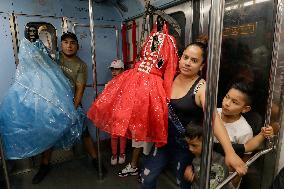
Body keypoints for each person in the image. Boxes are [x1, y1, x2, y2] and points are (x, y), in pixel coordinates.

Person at [141, 41, 247, 189]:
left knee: (182, 183)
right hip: (162, 141)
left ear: (201, 66)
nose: (187, 63)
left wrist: (229, 152)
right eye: (185, 57)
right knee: (147, 178)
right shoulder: (169, 77)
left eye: (194, 60)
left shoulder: (201, 88)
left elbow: (213, 118)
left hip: (186, 146)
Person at [87, 16, 179, 146]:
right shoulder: (151, 38)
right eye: (157, 22)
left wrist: (167, 94)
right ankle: (122, 151)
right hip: (138, 77)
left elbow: (170, 68)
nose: (158, 24)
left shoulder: (167, 40)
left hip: (147, 79)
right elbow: (167, 67)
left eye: (160, 22)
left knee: (141, 115)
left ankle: (133, 151)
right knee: (126, 110)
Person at [32, 32, 105, 184]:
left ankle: (95, 160)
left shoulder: (81, 65)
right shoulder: (54, 58)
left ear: (77, 46)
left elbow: (80, 89)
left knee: (84, 132)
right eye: (65, 42)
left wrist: (72, 109)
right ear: (61, 45)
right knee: (50, 134)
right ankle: (44, 165)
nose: (69, 46)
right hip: (53, 104)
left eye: (72, 43)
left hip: (73, 103)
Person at [184, 122, 232, 189]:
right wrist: (190, 173)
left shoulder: (223, 157)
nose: (190, 149)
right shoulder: (192, 158)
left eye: (194, 145)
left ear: (207, 143)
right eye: (188, 145)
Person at [108, 59, 127, 165]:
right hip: (113, 113)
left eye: (117, 69)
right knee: (114, 135)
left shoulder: (127, 84)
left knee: (122, 134)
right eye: (112, 69)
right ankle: (114, 154)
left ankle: (122, 153)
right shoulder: (109, 84)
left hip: (123, 112)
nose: (114, 72)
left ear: (122, 70)